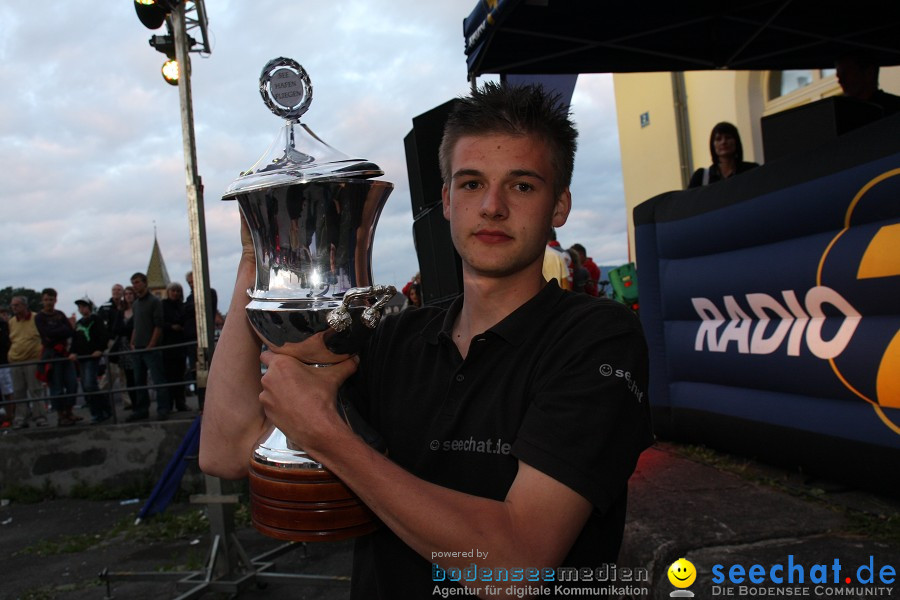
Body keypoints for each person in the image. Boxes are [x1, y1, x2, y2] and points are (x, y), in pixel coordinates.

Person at [200, 82, 653, 599]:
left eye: (522, 186)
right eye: (470, 184)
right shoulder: (394, 339)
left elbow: (518, 562)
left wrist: (328, 435)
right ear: (445, 200)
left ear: (559, 205)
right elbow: (227, 451)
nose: (492, 206)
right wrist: (256, 255)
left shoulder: (597, 338)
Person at [34, 288, 80, 426]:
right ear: (43, 300)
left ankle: (69, 411)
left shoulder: (59, 314)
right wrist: (61, 332)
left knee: (72, 384)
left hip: (64, 354)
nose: (49, 302)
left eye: (51, 299)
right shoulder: (40, 317)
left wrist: (58, 332)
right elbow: (47, 334)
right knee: (56, 387)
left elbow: (70, 331)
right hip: (52, 355)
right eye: (46, 299)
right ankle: (61, 415)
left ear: (56, 300)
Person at [128, 272, 170, 421]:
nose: (135, 286)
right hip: (138, 347)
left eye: (138, 282)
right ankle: (141, 409)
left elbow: (158, 325)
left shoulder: (154, 301)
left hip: (151, 348)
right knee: (139, 381)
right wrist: (132, 342)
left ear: (145, 283)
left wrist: (152, 344)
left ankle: (163, 408)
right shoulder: (135, 304)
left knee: (158, 379)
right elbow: (135, 326)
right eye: (133, 283)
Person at [6, 296, 48, 428]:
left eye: (17, 305)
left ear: (25, 305)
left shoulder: (36, 318)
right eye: (12, 305)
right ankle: (21, 418)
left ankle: (40, 417)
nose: (14, 308)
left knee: (35, 389)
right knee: (18, 391)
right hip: (16, 360)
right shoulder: (12, 322)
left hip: (32, 358)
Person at [69, 298, 111, 424]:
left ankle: (102, 410)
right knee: (87, 387)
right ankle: (99, 411)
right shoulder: (79, 323)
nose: (81, 309)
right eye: (80, 307)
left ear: (89, 307)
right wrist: (72, 352)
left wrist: (100, 349)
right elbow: (75, 339)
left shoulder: (96, 320)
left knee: (90, 385)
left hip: (92, 357)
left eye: (84, 306)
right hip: (82, 358)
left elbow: (104, 335)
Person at [688, 122, 759, 188]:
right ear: (712, 145)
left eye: (728, 137)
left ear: (736, 142)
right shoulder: (701, 177)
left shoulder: (752, 170)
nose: (723, 142)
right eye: (718, 139)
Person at [184, 271, 218, 411]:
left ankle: (211, 402)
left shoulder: (209, 293)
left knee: (209, 371)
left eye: (193, 282)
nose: (192, 285)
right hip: (193, 339)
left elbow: (202, 308)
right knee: (197, 373)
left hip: (204, 337)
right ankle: (202, 402)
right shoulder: (190, 297)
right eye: (190, 283)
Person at [835, 54, 900, 116]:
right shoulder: (843, 112)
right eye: (839, 76)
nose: (840, 81)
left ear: (869, 73)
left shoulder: (894, 108)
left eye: (846, 74)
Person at [162, 282, 188, 412]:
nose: (175, 293)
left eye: (178, 291)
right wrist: (171, 327)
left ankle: (180, 403)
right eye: (173, 291)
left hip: (179, 345)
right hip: (168, 345)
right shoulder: (163, 305)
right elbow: (160, 322)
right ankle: (169, 404)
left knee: (180, 375)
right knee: (170, 377)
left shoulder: (181, 306)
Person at [111, 286, 137, 410]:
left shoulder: (138, 309)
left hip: (135, 344)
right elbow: (116, 328)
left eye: (130, 293)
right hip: (123, 346)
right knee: (128, 377)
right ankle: (133, 403)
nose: (128, 296)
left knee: (138, 375)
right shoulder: (121, 312)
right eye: (126, 294)